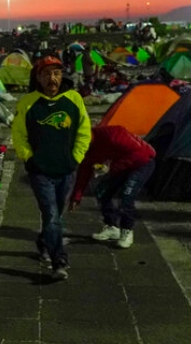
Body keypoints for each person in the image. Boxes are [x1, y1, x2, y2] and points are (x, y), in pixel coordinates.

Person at [12, 56, 91, 281]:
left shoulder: (74, 99)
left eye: (56, 73)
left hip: (66, 169)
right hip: (40, 172)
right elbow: (18, 135)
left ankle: (44, 241)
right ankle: (60, 261)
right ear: (38, 77)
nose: (52, 78)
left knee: (55, 214)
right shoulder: (27, 103)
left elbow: (84, 131)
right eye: (46, 74)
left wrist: (75, 157)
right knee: (51, 214)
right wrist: (30, 158)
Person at [69, 125, 156, 249]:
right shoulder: (87, 149)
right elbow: (84, 171)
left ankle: (127, 230)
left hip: (142, 163)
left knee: (126, 195)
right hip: (121, 165)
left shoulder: (113, 134)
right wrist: (76, 197)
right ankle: (112, 226)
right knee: (103, 192)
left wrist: (111, 169)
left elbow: (140, 153)